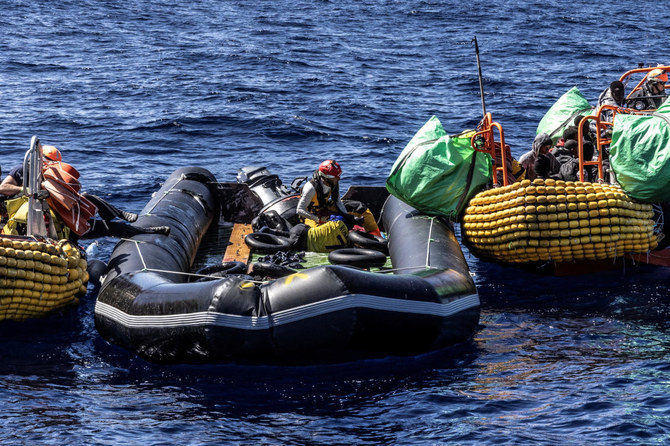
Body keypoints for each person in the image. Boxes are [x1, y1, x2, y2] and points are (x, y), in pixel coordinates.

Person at [1, 144, 169, 239]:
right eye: (49, 162)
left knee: (105, 219)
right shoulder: (23, 170)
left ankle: (142, 228)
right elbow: (3, 188)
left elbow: (68, 201)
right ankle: (118, 215)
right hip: (30, 222)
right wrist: (28, 190)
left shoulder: (56, 178)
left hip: (62, 221)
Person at [296, 159, 381, 235]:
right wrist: (318, 219)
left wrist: (347, 216)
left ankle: (375, 235)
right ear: (326, 178)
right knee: (321, 232)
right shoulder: (311, 188)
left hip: (325, 206)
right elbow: (300, 210)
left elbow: (337, 201)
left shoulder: (333, 182)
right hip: (311, 214)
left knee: (360, 209)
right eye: (336, 177)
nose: (338, 179)